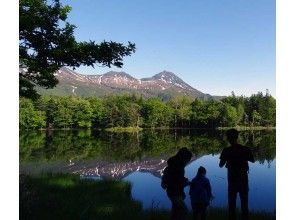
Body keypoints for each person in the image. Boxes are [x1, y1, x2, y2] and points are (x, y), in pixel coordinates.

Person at [219, 129, 255, 220]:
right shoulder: (245, 149)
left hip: (232, 180)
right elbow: (253, 160)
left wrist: (227, 158)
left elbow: (220, 165)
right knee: (244, 203)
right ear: (237, 137)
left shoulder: (226, 150)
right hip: (243, 179)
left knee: (232, 203)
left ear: (228, 138)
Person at [161, 147, 193, 220]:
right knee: (183, 211)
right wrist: (187, 182)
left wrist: (185, 181)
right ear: (184, 158)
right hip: (175, 193)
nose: (188, 161)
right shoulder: (178, 167)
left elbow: (176, 178)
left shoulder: (173, 165)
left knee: (175, 212)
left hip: (172, 192)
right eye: (188, 159)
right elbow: (177, 181)